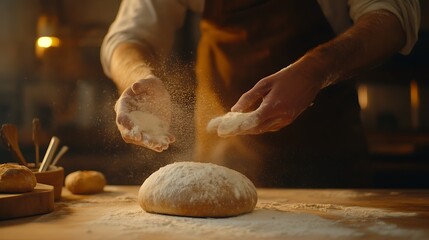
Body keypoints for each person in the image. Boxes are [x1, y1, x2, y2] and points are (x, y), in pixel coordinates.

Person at [101, 0, 420, 187]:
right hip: (222, 163)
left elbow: (393, 16)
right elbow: (128, 36)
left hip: (329, 154)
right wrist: (139, 77)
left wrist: (316, 69)